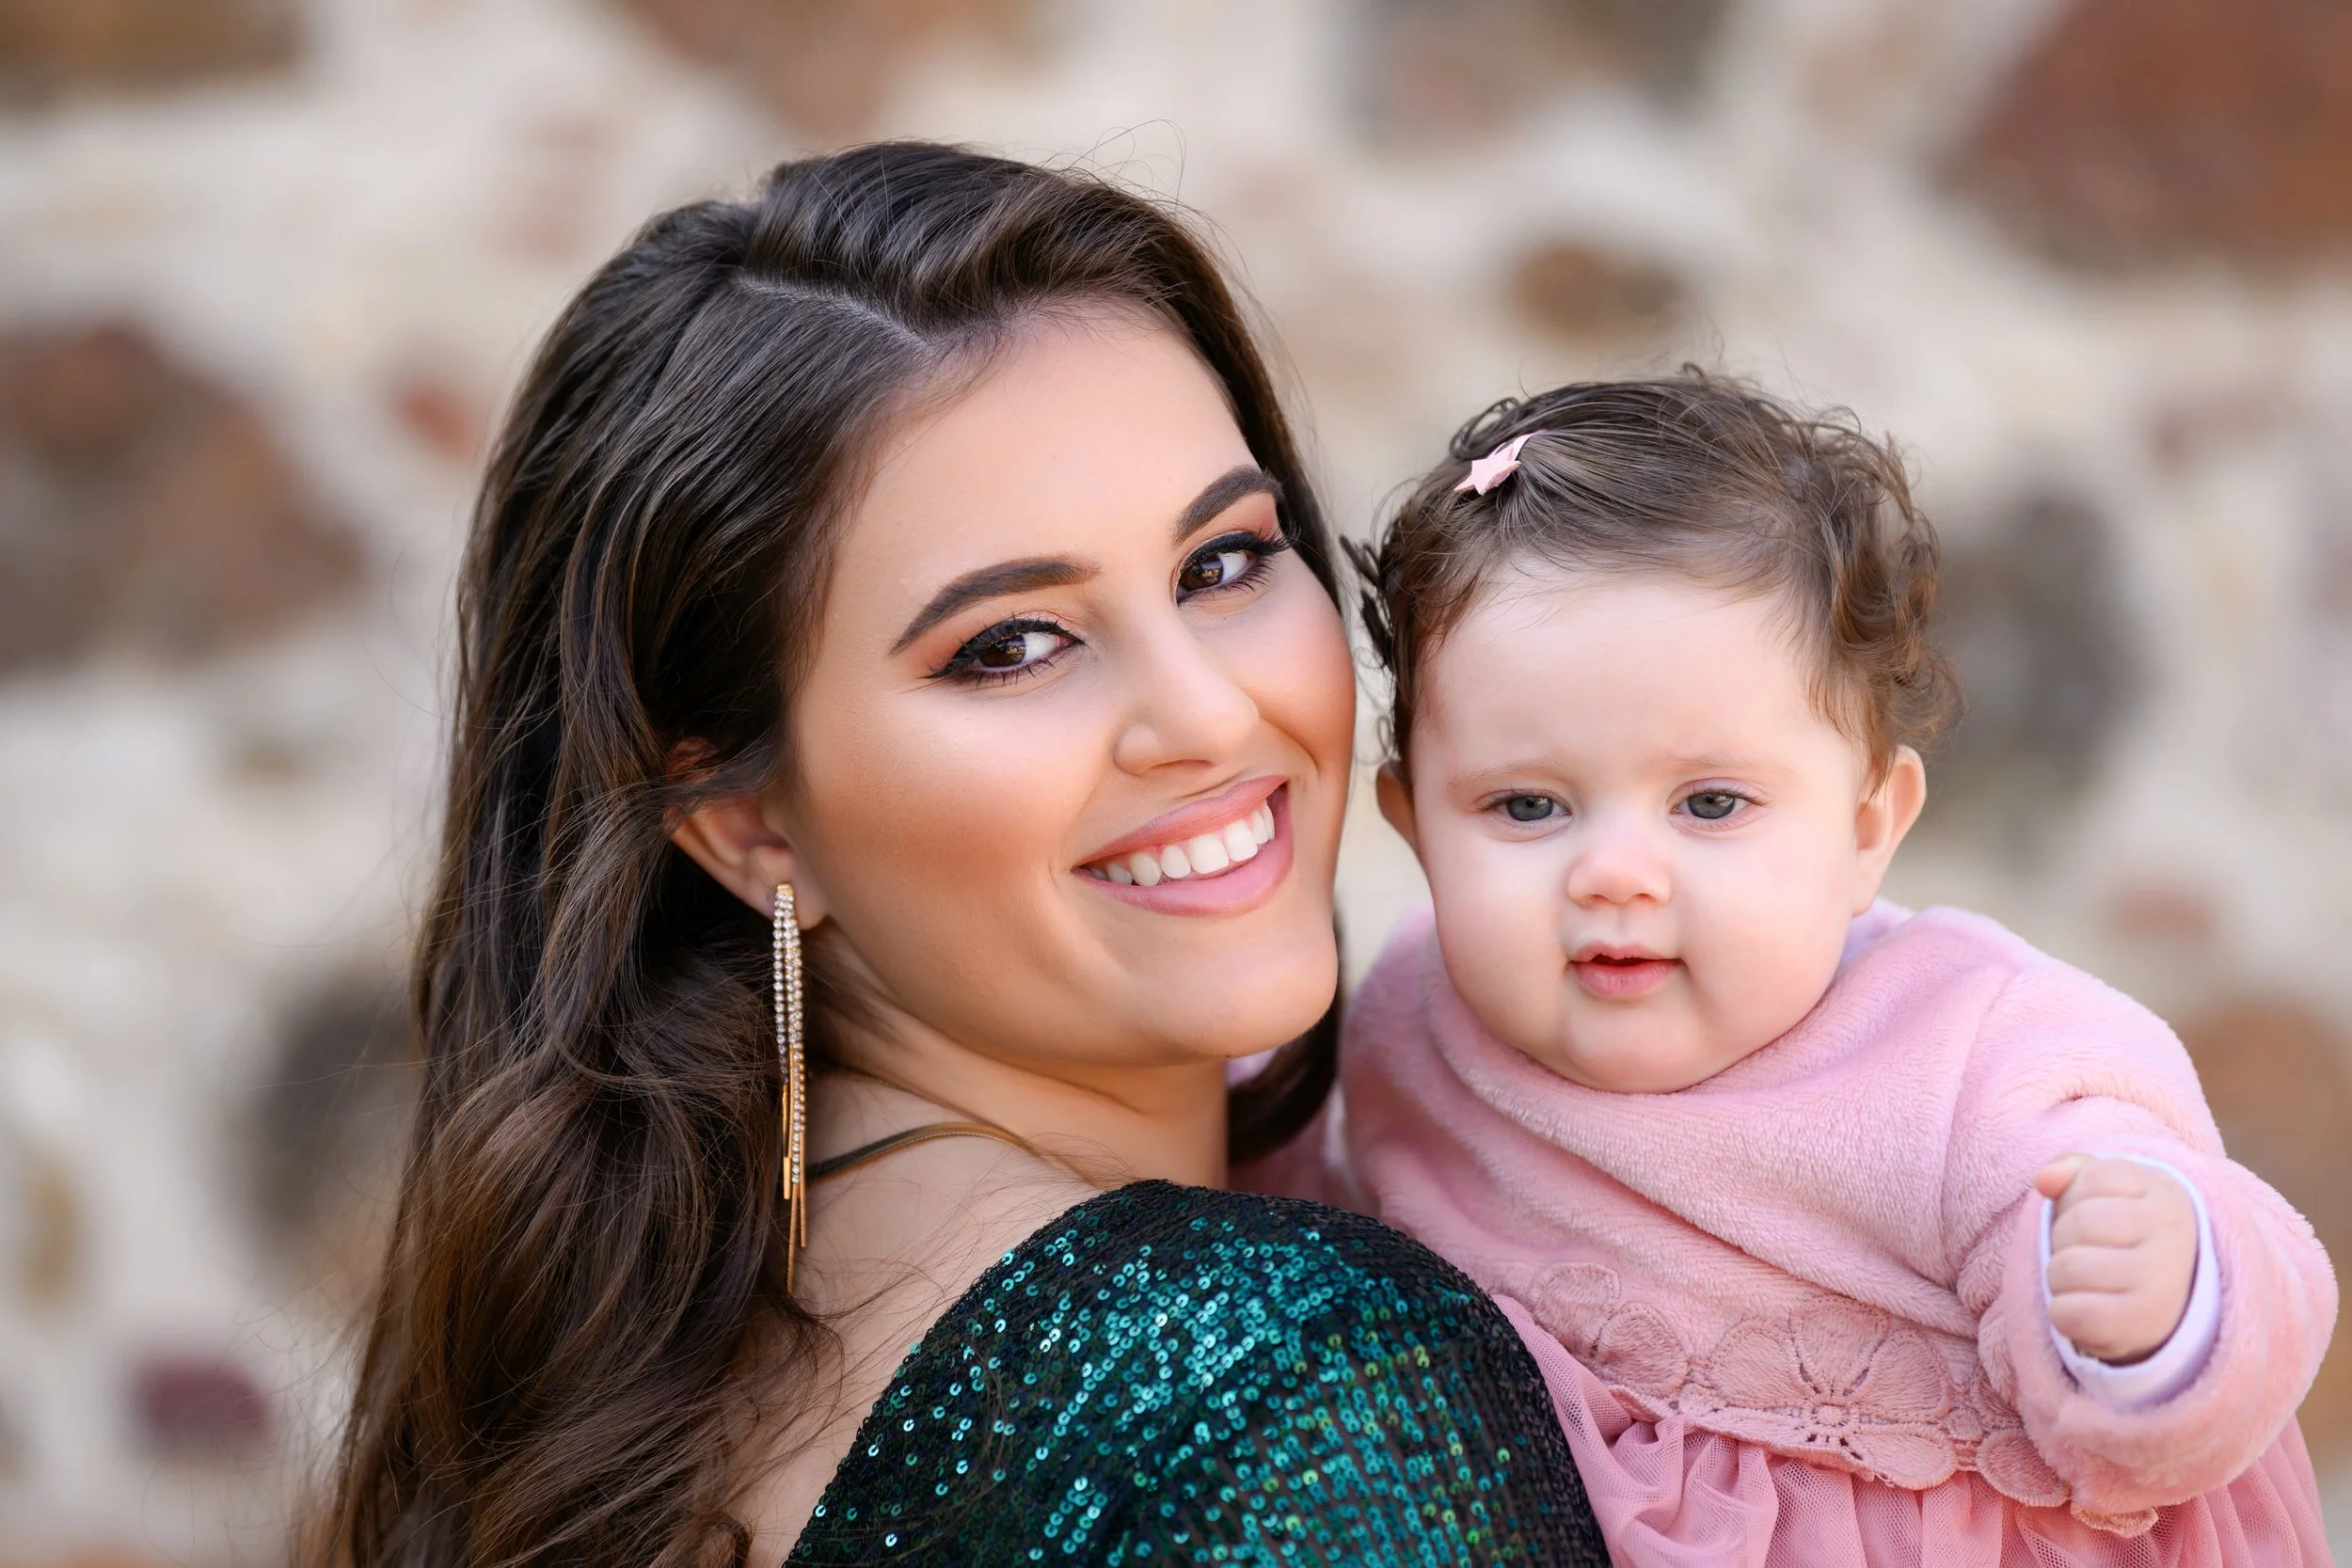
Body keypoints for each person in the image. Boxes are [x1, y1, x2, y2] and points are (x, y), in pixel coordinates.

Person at [321, 143, 1609, 1566]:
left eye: (1224, 561)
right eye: (1009, 645)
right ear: (747, 821)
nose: (1206, 714)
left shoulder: (638, 1390)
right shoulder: (1289, 1377)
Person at [1312, 375, 2337, 1564]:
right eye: (1526, 805)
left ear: (1864, 828)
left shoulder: (1972, 1052)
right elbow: (1298, 1211)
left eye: (1709, 802)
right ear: (1414, 827)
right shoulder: (1409, 1025)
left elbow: (2192, 1274)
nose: (1614, 873)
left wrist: (2156, 1302)